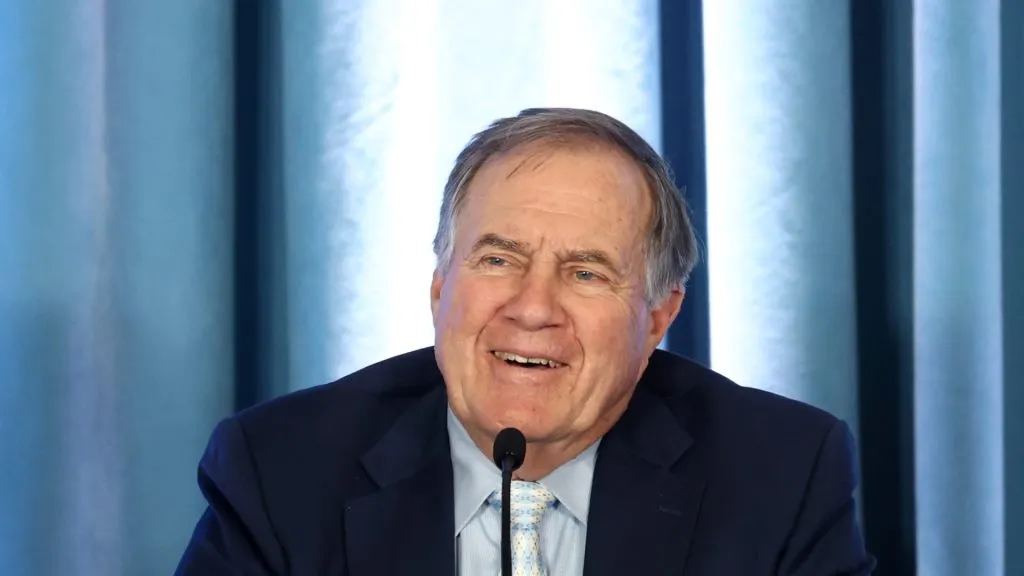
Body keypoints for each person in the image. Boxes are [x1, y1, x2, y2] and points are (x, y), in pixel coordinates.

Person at [175, 108, 875, 575]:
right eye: (498, 259)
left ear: (659, 317)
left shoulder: (781, 476)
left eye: (586, 272)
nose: (533, 308)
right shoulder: (280, 471)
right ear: (440, 287)